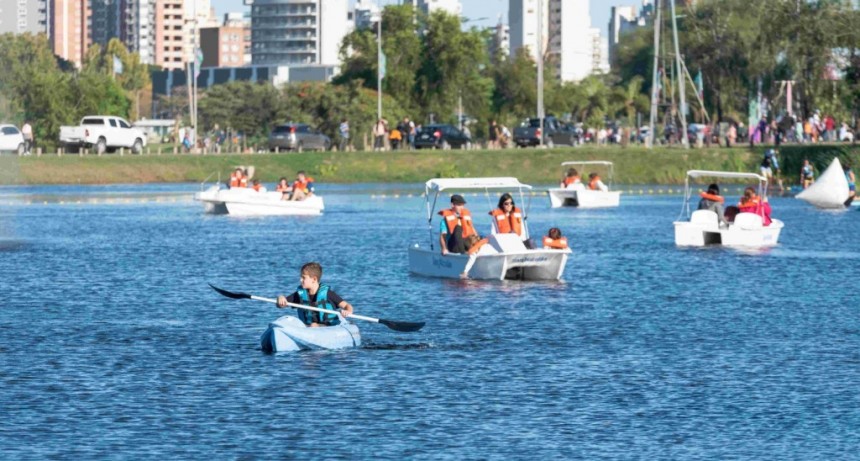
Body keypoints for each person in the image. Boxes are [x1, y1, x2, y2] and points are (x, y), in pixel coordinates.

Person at [276, 262, 354, 328]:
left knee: (313, 325)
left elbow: (347, 305)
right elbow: (281, 305)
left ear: (314, 279)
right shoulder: (299, 294)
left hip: (329, 327)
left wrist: (348, 311)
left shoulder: (328, 293)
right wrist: (281, 298)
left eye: (303, 278)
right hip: (309, 328)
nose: (300, 280)